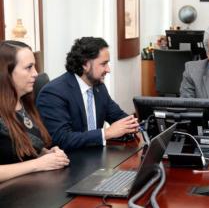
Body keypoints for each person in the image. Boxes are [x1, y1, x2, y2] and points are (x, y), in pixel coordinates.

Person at [36, 37, 139, 150]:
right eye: (103, 64)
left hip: (96, 157)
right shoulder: (53, 93)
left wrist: (137, 124)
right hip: (70, 160)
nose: (108, 70)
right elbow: (62, 139)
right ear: (85, 64)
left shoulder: (99, 87)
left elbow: (118, 117)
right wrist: (106, 133)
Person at [0, 40, 69, 182]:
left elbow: (23, 153)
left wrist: (46, 154)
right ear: (6, 73)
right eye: (29, 67)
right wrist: (37, 164)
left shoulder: (26, 102)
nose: (36, 74)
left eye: (35, 67)